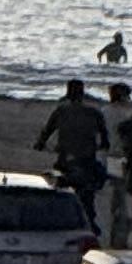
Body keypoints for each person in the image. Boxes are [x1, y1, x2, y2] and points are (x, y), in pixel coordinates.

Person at [37, 77, 110, 221]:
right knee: (88, 192)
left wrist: (40, 143)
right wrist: (102, 145)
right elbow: (104, 137)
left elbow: (47, 131)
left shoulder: (61, 111)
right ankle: (89, 220)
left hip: (66, 158)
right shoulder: (94, 113)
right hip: (87, 159)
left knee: (60, 188)